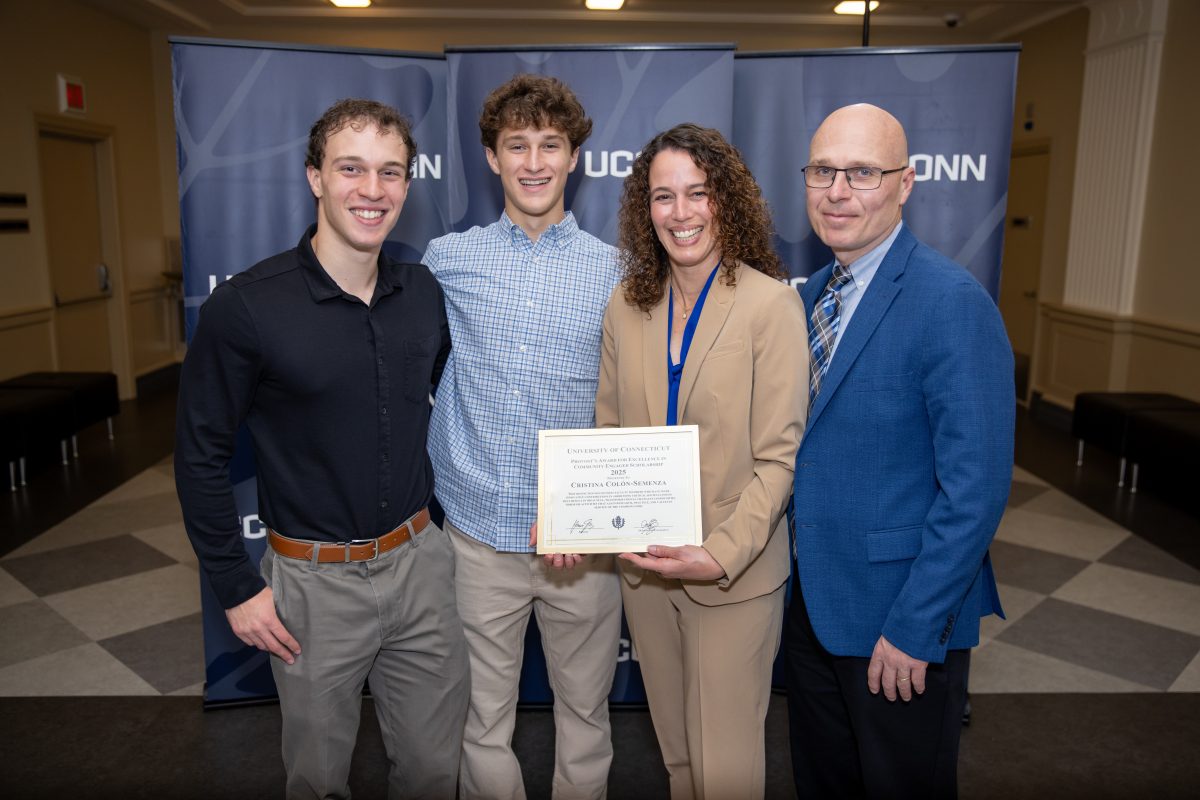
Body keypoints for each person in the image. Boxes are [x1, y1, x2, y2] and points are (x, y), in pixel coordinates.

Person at [175, 99, 468, 799]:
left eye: (390, 172)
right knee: (318, 781)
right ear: (315, 177)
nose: (373, 190)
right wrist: (236, 587)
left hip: (421, 568)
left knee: (434, 772)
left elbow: (449, 405)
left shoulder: (424, 293)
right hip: (311, 587)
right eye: (351, 169)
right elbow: (198, 455)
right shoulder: (245, 308)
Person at [787, 103, 1013, 799]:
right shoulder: (810, 296)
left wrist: (916, 628)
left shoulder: (951, 302)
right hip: (814, 609)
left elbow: (973, 489)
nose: (837, 191)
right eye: (823, 171)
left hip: (899, 621)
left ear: (906, 184)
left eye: (862, 172)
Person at [421, 74, 622, 800]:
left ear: (575, 159)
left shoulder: (619, 273)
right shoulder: (447, 262)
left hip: (584, 552)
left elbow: (629, 409)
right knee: (482, 723)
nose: (534, 162)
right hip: (477, 538)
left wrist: (587, 512)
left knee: (585, 718)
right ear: (491, 157)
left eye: (550, 145)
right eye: (517, 145)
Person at [596, 123, 808, 799]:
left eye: (698, 193)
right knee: (680, 756)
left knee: (726, 767)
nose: (681, 212)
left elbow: (779, 459)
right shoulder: (627, 306)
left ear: (728, 200)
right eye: (664, 196)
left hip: (730, 575)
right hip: (647, 570)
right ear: (644, 208)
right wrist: (584, 518)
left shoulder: (770, 304)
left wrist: (719, 553)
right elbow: (609, 437)